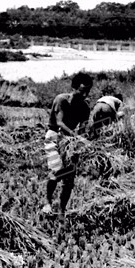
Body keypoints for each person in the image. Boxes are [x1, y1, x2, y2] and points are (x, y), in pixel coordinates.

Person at [43, 71, 93, 216]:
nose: (85, 95)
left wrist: (83, 142)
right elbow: (59, 123)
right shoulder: (61, 100)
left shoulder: (85, 107)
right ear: (74, 88)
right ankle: (47, 202)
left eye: (88, 92)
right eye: (82, 91)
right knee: (56, 170)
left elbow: (83, 129)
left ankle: (62, 211)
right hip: (54, 137)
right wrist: (77, 137)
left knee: (70, 178)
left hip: (70, 141)